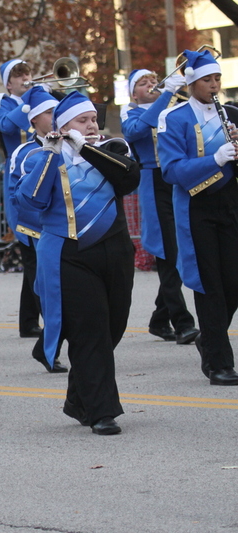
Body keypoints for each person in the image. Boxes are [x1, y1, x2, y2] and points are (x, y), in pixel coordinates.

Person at [15, 91, 140, 434]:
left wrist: (86, 147)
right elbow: (31, 202)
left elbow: (130, 179)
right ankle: (102, 411)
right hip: (70, 256)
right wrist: (53, 152)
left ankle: (77, 398)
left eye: (93, 120)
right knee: (91, 330)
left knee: (113, 325)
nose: (91, 125)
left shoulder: (113, 149)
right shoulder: (44, 157)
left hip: (114, 250)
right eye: (82, 121)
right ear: (63, 125)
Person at [157, 49, 238, 386]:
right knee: (210, 286)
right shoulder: (173, 119)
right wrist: (216, 158)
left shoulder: (232, 112)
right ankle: (219, 362)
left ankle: (209, 337)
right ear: (191, 83)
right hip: (197, 206)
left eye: (217, 78)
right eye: (207, 79)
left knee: (233, 282)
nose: (214, 85)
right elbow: (171, 170)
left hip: (231, 202)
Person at [120, 69, 199, 346]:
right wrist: (165, 95)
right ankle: (183, 322)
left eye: (154, 81)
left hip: (176, 178)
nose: (151, 85)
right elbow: (136, 131)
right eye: (143, 83)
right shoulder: (129, 112)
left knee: (181, 246)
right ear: (133, 92)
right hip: (152, 179)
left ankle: (159, 318)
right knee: (168, 252)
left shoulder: (173, 105)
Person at [7, 87, 68, 373]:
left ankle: (44, 343)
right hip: (35, 231)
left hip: (66, 231)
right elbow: (16, 195)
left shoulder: (73, 144)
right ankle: (49, 349)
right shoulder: (25, 151)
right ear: (33, 121)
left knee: (60, 292)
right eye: (47, 112)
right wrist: (21, 232)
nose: (54, 116)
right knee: (47, 291)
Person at [0, 60, 44, 339]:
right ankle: (40, 317)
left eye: (27, 73)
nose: (25, 78)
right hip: (17, 178)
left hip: (42, 174)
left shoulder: (38, 96)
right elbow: (4, 125)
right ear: (8, 83)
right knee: (29, 244)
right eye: (18, 75)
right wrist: (29, 102)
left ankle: (28, 321)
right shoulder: (3, 102)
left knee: (34, 252)